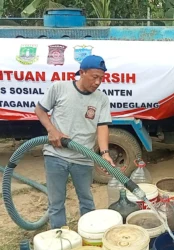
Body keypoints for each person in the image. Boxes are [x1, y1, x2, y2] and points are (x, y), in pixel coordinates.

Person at [35, 55, 115, 229]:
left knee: (87, 201)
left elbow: (102, 127)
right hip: (55, 155)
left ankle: (88, 236)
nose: (98, 82)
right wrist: (52, 130)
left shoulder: (101, 99)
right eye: (94, 77)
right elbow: (40, 110)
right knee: (56, 203)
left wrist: (105, 153)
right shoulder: (60, 88)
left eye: (101, 78)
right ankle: (59, 239)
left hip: (83, 157)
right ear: (82, 72)